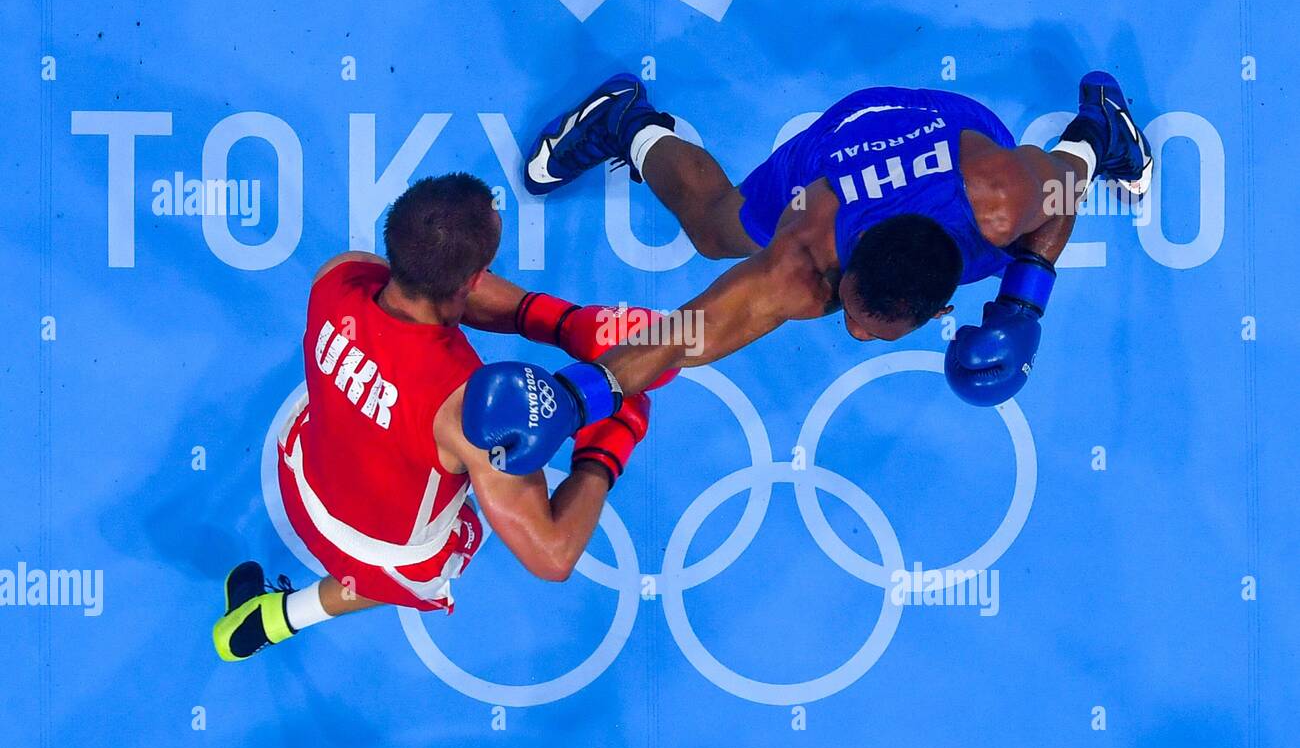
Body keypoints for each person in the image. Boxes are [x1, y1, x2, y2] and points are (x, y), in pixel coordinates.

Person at [465, 72, 1152, 473]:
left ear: (940, 306)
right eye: (852, 311)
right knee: (717, 230)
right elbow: (682, 335)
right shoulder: (802, 259)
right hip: (846, 146)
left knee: (1057, 186)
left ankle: (1107, 125)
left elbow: (1066, 184)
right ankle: (627, 120)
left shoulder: (1003, 197)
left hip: (956, 138)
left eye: (875, 328)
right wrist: (574, 398)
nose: (854, 333)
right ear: (842, 271)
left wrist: (1022, 306)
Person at [213, 173, 673, 661]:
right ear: (475, 279)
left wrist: (564, 325)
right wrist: (609, 439)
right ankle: (283, 617)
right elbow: (553, 555)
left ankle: (265, 619)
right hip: (381, 557)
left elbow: (429, 290)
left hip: (300, 482)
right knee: (409, 566)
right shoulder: (467, 409)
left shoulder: (339, 275)